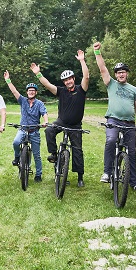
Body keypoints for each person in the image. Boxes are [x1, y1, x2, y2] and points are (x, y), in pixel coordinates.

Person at [93, 42, 136, 190]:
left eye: (123, 71)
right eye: (118, 72)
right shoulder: (111, 84)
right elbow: (103, 68)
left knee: (132, 152)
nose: (121, 74)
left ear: (127, 73)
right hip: (113, 120)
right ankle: (107, 172)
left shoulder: (134, 89)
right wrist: (97, 52)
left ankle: (134, 182)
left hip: (129, 123)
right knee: (110, 140)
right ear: (116, 75)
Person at [34, 50, 90, 187]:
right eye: (65, 80)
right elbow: (47, 85)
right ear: (64, 82)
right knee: (49, 131)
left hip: (75, 125)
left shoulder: (81, 89)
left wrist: (82, 60)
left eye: (70, 79)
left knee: (77, 150)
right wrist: (38, 73)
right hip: (62, 121)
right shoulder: (61, 91)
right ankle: (54, 154)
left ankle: (80, 177)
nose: (68, 81)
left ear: (73, 79)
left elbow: (87, 77)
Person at [3, 70, 49, 183]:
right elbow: (14, 92)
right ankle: (17, 157)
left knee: (37, 155)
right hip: (23, 129)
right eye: (29, 91)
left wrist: (45, 122)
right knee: (15, 142)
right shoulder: (23, 101)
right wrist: (8, 80)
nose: (31, 92)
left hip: (34, 131)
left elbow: (44, 113)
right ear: (27, 92)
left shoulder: (39, 103)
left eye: (33, 91)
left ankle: (38, 174)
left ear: (36, 93)